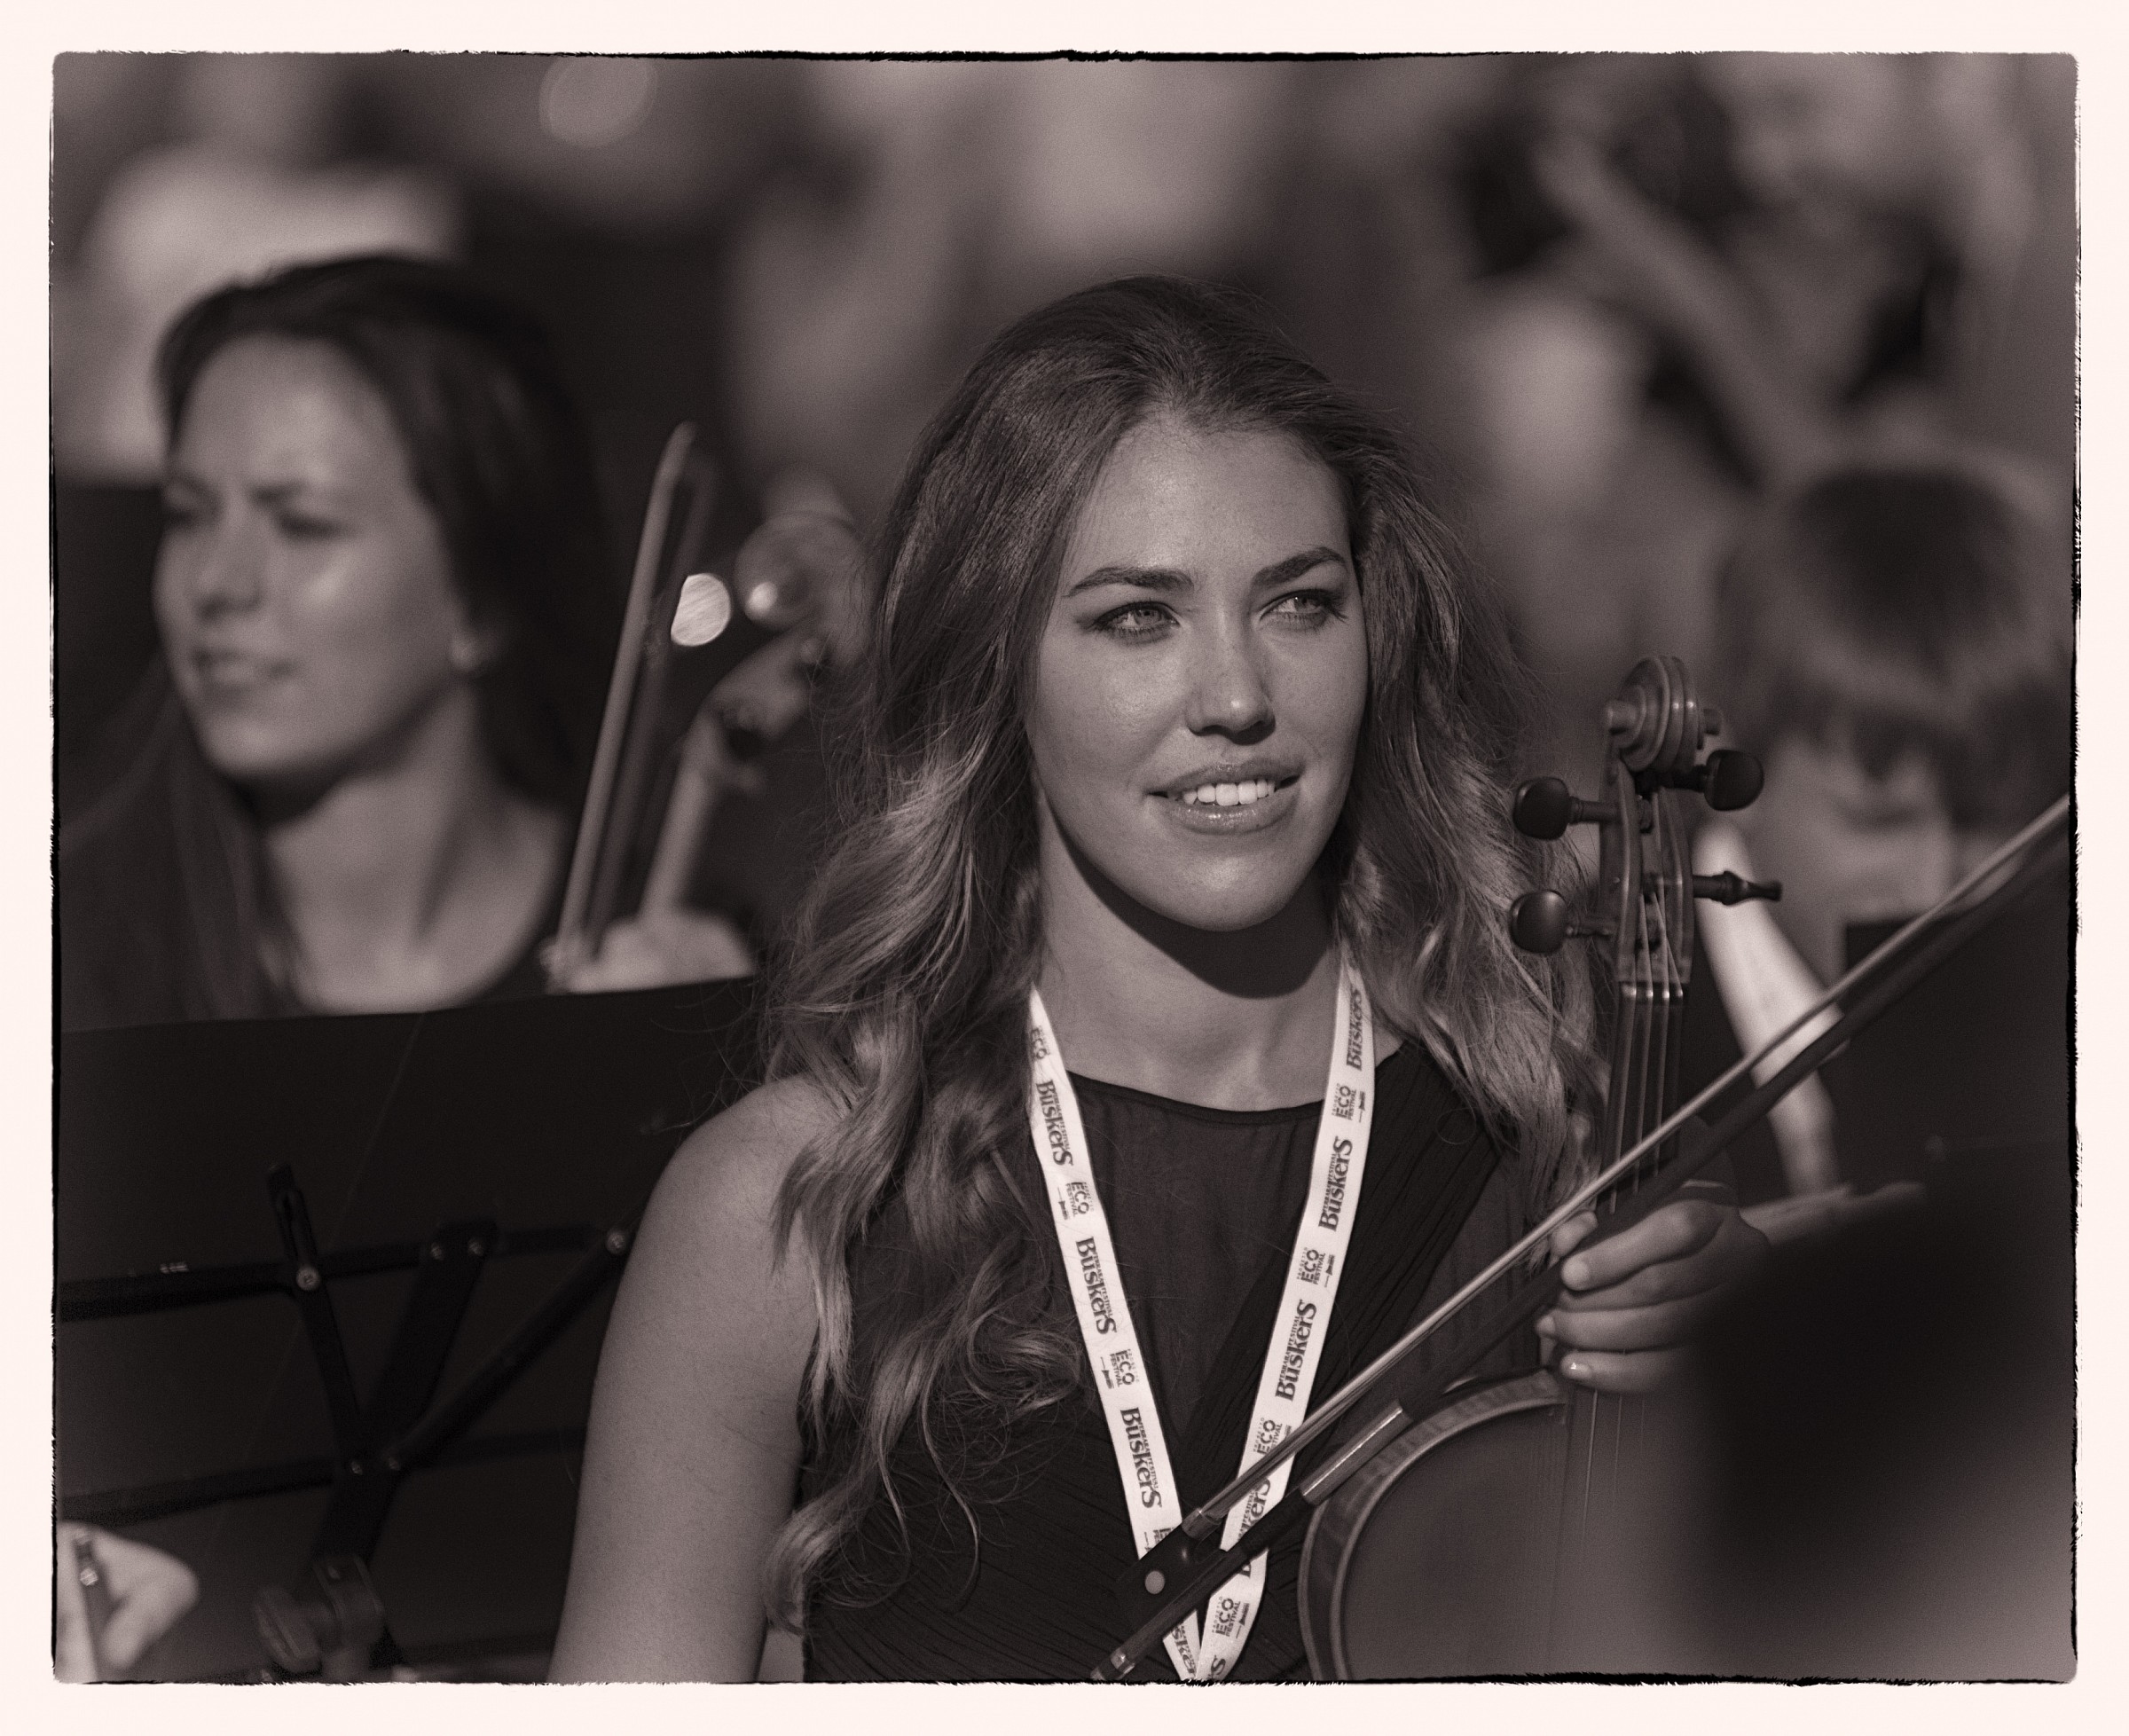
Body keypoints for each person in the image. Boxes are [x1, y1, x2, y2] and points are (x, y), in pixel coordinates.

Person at [549, 276, 1767, 1683]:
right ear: (993, 663)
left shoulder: (1548, 1132)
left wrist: (1748, 1377)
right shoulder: (787, 1202)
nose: (1237, 696)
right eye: (1138, 618)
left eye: (1301, 603)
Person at [59, 254, 754, 1029]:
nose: (217, 582)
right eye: (188, 514)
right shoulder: (62, 950)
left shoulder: (664, 946)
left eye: (303, 525)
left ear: (482, 599)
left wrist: (710, 1052)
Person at [1684, 455, 2072, 1210]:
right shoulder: (1587, 1037)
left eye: (1990, 819)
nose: (1936, 886)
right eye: (1878, 820)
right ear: (1727, 771)